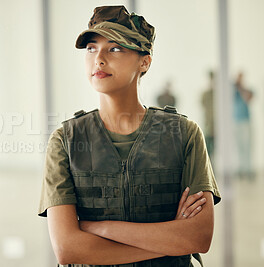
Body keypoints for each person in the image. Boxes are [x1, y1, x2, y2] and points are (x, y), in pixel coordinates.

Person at [38, 6, 221, 267]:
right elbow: (68, 249)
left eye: (114, 48)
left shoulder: (184, 134)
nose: (98, 59)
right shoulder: (66, 141)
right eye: (91, 48)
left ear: (144, 61)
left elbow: (199, 237)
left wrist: (100, 229)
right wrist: (171, 242)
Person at [233, 71, 254, 180]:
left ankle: (248, 169)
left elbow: (248, 98)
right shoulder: (234, 91)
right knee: (239, 146)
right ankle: (241, 169)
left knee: (247, 146)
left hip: (246, 121)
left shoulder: (247, 90)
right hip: (236, 121)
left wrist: (241, 88)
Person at [201, 70, 215, 158]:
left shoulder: (219, 94)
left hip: (216, 125)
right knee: (208, 150)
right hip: (209, 125)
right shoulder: (206, 94)